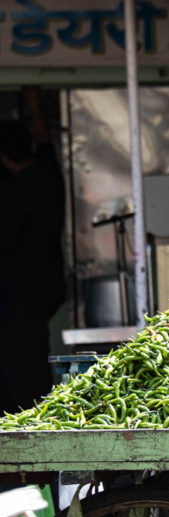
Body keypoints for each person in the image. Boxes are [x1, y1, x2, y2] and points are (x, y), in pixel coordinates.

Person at [0, 87, 65, 414]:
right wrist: (35, 103)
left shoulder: (10, 198)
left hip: (16, 295)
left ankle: (24, 425)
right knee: (31, 357)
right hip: (45, 290)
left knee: (19, 365)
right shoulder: (49, 175)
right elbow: (45, 139)